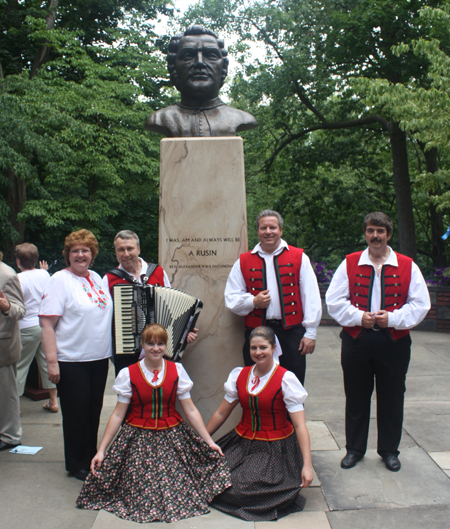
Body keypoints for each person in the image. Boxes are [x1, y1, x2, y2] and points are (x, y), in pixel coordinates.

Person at [76, 323, 231, 523]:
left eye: (160, 344)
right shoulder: (128, 373)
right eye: (150, 344)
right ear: (142, 345)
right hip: (137, 437)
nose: (155, 348)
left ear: (166, 346)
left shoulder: (177, 370)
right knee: (140, 492)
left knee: (177, 489)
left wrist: (209, 441)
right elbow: (117, 415)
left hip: (172, 435)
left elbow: (191, 409)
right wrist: (102, 450)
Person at [326, 212, 431, 472]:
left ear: (388, 234)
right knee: (356, 396)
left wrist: (393, 319)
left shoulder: (407, 265)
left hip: (393, 342)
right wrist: (358, 316)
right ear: (365, 234)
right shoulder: (350, 262)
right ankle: (354, 450)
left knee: (392, 398)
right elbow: (334, 300)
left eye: (380, 231)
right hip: (356, 340)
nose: (375, 236)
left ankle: (389, 451)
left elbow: (421, 304)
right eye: (371, 230)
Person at [206, 326, 313, 521]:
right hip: (242, 441)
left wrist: (307, 465)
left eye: (263, 347)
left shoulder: (286, 379)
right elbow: (222, 412)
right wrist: (204, 439)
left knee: (241, 489)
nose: (257, 352)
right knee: (211, 474)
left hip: (274, 447)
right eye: (253, 348)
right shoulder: (240, 374)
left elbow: (299, 426)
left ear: (273, 348)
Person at [39, 229, 113, 480]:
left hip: (99, 359)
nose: (80, 255)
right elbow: (47, 324)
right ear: (67, 254)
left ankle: (91, 456)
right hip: (72, 360)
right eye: (75, 250)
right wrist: (52, 363)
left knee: (93, 410)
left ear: (92, 254)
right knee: (76, 413)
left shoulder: (97, 277)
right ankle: (77, 463)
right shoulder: (59, 280)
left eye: (85, 250)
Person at [225, 209, 322, 385]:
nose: (268, 231)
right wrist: (253, 301)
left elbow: (311, 296)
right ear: (258, 231)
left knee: (293, 384)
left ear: (281, 230)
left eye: (272, 227)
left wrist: (311, 332)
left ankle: (291, 415)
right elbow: (231, 297)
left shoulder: (299, 257)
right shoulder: (243, 261)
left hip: (291, 332)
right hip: (257, 333)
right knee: (257, 383)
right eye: (263, 228)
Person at [104, 230, 197, 375]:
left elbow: (171, 306)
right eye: (120, 250)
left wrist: (184, 332)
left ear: (139, 249)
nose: (125, 254)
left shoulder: (157, 272)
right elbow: (105, 318)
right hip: (127, 352)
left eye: (130, 248)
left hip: (158, 351)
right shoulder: (109, 279)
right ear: (115, 252)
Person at [145, 25, 257, 137]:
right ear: (174, 66)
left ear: (223, 66)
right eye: (188, 55)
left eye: (211, 55)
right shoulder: (159, 119)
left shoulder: (241, 118)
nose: (200, 62)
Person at [14, 243, 57, 412]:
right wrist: (43, 270)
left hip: (26, 327)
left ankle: (14, 408)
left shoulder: (16, 279)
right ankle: (53, 401)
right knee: (46, 363)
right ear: (36, 259)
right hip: (44, 326)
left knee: (18, 367)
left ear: (18, 261)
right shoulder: (44, 274)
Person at [0, 250, 25, 452]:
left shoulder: (7, 275)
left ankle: (11, 435)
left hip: (3, 345)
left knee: (6, 392)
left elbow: (20, 310)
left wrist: (7, 307)